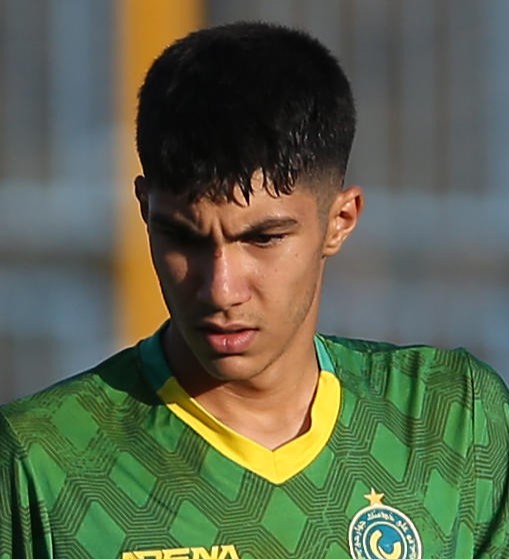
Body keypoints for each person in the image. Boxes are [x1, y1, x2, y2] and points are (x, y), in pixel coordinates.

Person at [0, 21, 507, 559]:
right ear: (145, 210)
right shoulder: (40, 463)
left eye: (263, 238)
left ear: (339, 221)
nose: (220, 289)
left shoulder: (455, 422)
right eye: (183, 238)